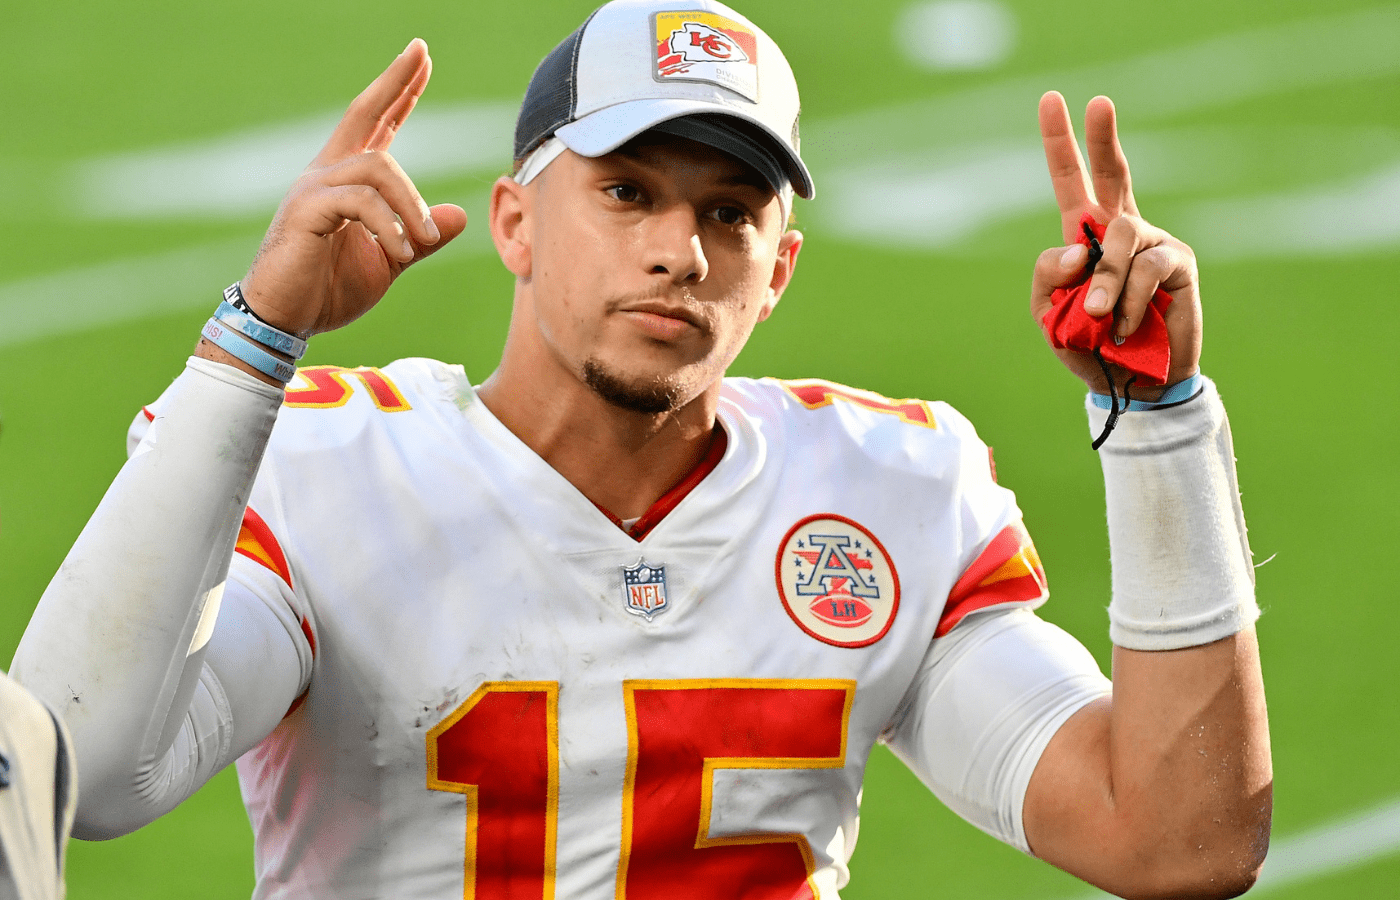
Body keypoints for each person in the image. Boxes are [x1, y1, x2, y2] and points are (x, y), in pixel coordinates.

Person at [11, 1, 1271, 897]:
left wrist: (1155, 422)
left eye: (728, 213)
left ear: (775, 269)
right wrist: (253, 344)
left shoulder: (887, 491)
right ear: (513, 220)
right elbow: (91, 771)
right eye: (628, 193)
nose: (680, 250)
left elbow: (1172, 842)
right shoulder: (330, 462)